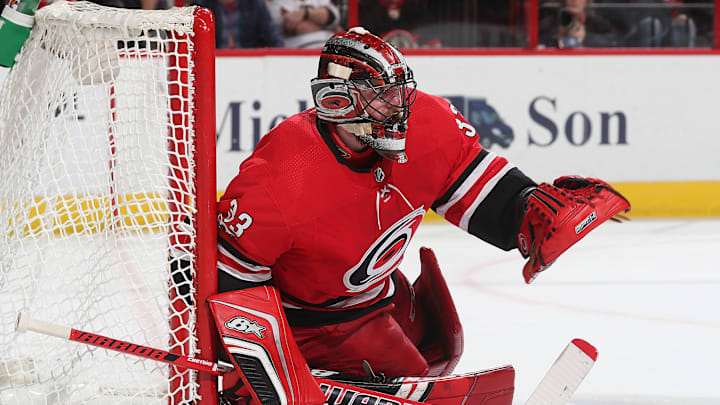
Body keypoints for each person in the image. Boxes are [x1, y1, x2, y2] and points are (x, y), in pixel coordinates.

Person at [214, 27, 630, 386]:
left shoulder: (426, 122)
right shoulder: (281, 178)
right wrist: (254, 366)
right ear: (339, 101)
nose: (400, 108)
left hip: (385, 294)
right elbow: (231, 285)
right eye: (383, 98)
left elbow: (479, 191)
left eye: (400, 93)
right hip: (316, 324)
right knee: (419, 384)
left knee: (437, 348)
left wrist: (528, 213)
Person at [191, 0, 284, 48]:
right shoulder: (200, 6)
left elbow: (275, 41)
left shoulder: (255, 4)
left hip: (249, 65)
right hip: (212, 65)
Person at [539, 0, 619, 47]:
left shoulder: (597, 23)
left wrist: (586, 38)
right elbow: (538, 42)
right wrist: (557, 37)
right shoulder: (552, 22)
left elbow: (615, 42)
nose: (574, 1)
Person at [264, 0, 341, 48]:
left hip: (329, 44)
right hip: (300, 48)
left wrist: (304, 13)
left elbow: (333, 17)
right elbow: (297, 27)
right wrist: (326, 24)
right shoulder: (278, 2)